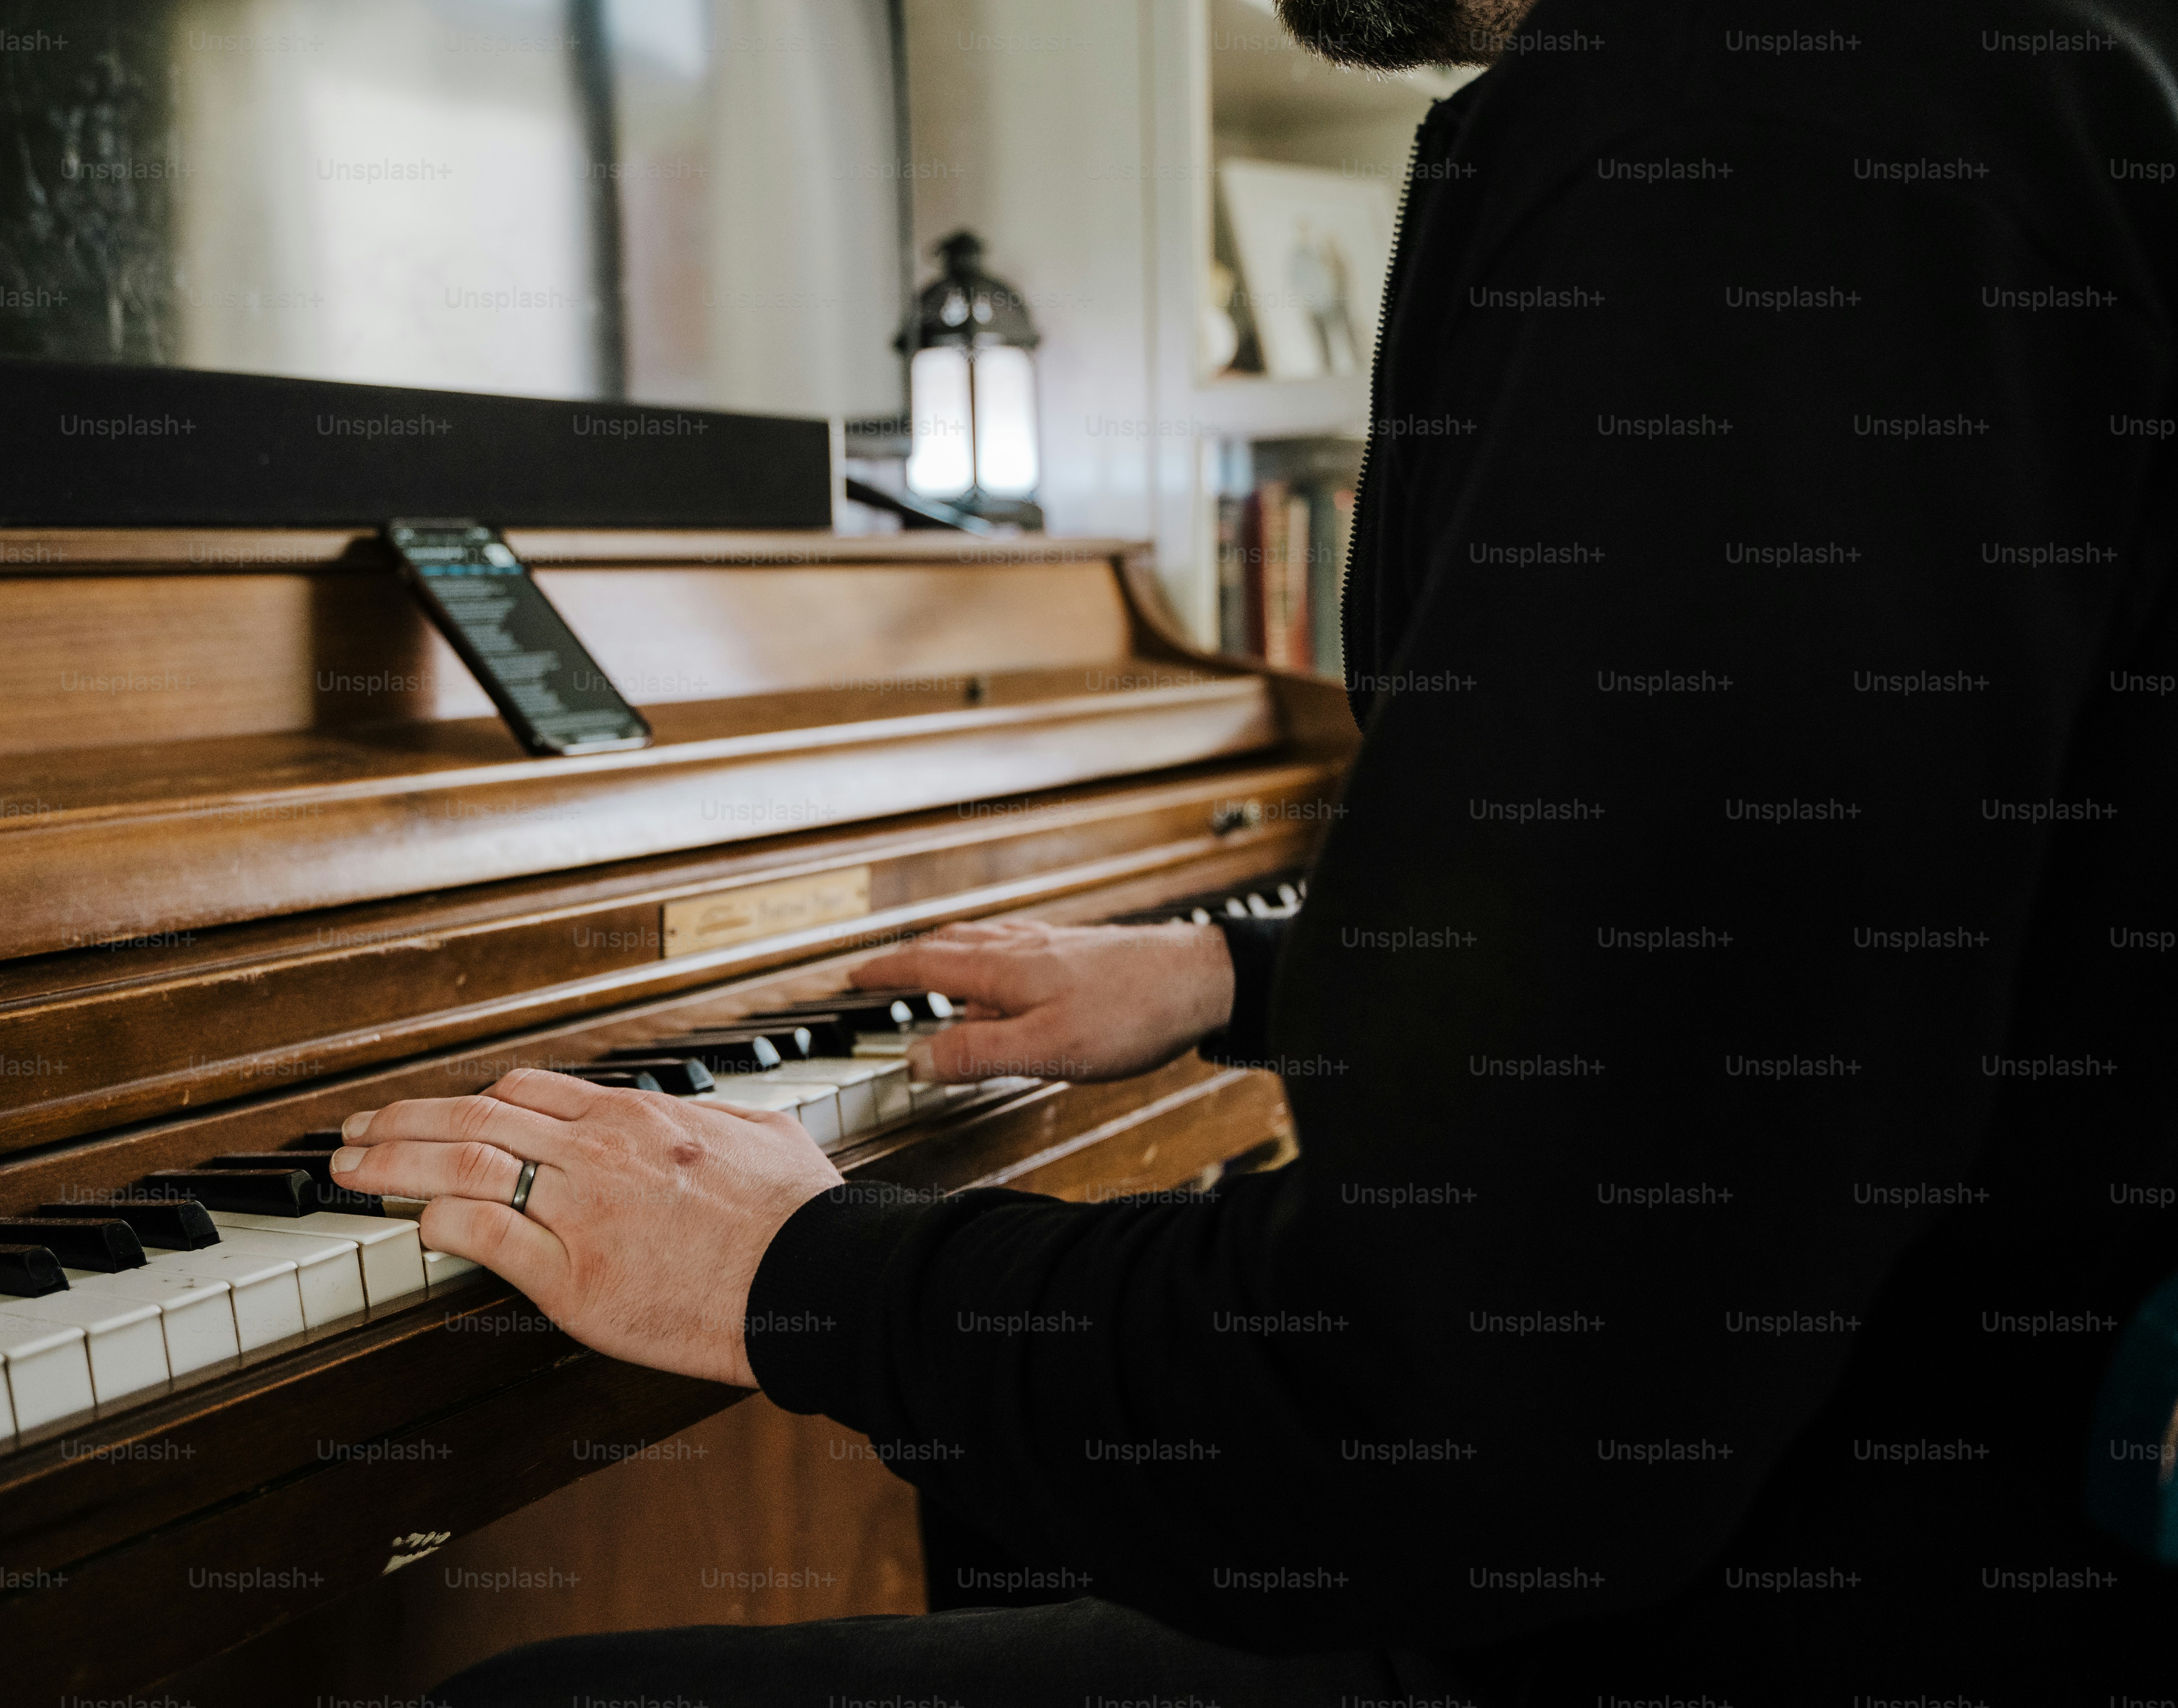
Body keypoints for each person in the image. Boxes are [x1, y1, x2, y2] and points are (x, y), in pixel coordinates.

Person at [332, 0, 2178, 1698]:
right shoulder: (1934, 78)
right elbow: (1841, 942)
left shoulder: (1752, 146)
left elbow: (1452, 1423)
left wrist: (794, 1271)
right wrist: (1248, 971)